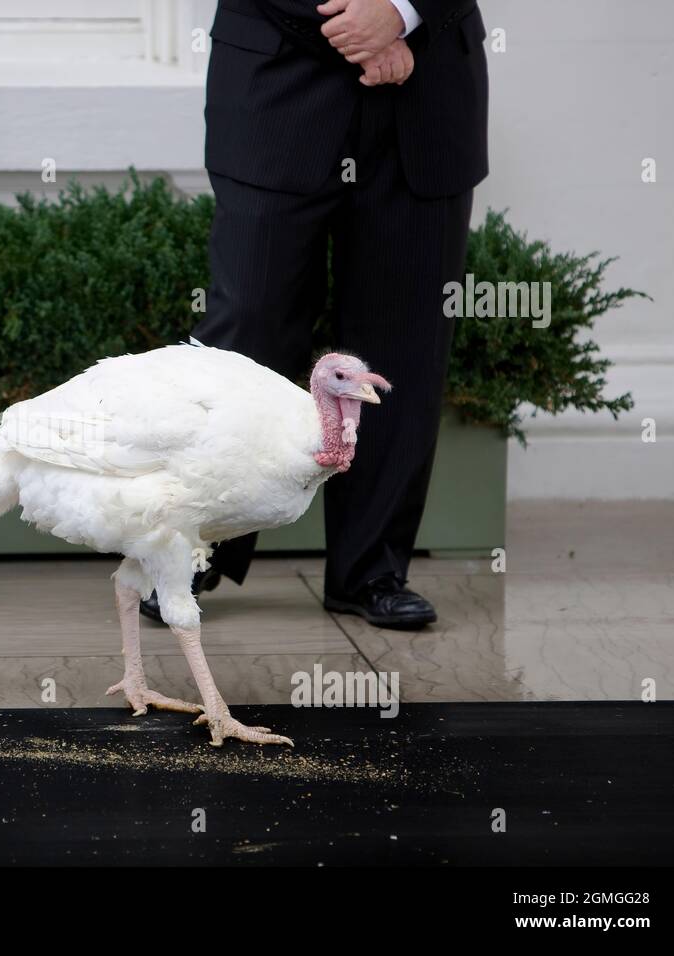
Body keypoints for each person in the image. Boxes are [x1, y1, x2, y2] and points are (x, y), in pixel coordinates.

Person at [141, 0, 488, 630]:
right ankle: (188, 553)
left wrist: (403, 13)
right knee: (245, 334)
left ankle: (372, 570)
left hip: (426, 92)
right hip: (277, 92)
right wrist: (365, 31)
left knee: (399, 346)